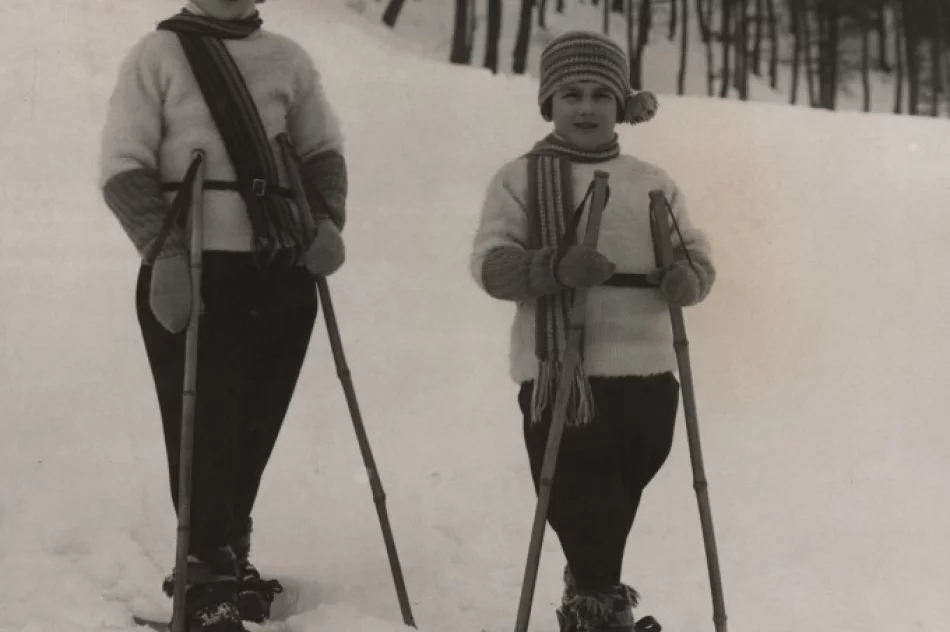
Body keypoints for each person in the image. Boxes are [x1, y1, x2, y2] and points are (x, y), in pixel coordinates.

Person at [98, 1, 347, 630]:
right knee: (201, 420)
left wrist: (326, 221)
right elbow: (123, 167)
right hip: (194, 269)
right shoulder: (156, 56)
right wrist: (167, 252)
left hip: (279, 267)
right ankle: (203, 573)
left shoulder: (289, 58)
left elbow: (321, 151)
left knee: (256, 418)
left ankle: (226, 562)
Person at [469, 31, 716, 632]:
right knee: (583, 493)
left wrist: (690, 278)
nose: (585, 107)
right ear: (548, 102)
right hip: (561, 372)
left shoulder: (650, 178)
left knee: (627, 484)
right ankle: (600, 609)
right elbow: (491, 265)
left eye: (602, 95)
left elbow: (697, 254)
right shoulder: (521, 178)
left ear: (623, 104)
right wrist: (551, 266)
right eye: (571, 93)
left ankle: (589, 593)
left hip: (649, 367)